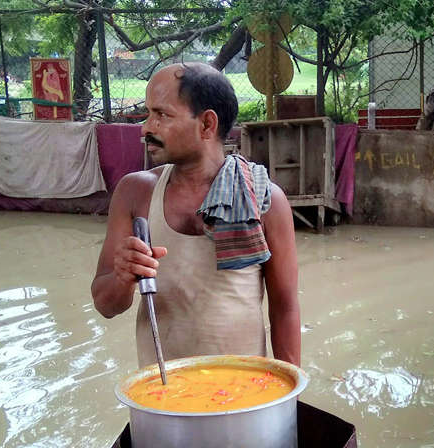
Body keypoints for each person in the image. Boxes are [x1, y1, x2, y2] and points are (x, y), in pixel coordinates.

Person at [91, 62, 301, 367]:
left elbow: (285, 308)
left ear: (206, 125)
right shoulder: (135, 193)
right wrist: (124, 277)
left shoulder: (264, 200)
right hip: (161, 397)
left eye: (161, 115)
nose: (146, 127)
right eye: (149, 114)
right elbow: (105, 305)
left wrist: (287, 399)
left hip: (242, 397)